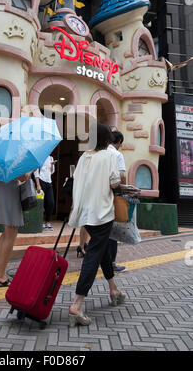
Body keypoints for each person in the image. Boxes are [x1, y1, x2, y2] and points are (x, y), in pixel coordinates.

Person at [68, 122, 125, 326]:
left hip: (85, 213)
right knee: (94, 254)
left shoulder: (84, 156)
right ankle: (77, 303)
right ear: (107, 139)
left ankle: (113, 289)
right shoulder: (109, 156)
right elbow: (114, 183)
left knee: (101, 251)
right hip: (102, 212)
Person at [0, 173, 30, 287]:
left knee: (6, 232)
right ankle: (0, 275)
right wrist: (30, 171)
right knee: (11, 234)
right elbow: (22, 177)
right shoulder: (15, 155)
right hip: (10, 192)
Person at [107, 131, 127, 273]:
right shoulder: (117, 155)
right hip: (111, 196)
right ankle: (112, 263)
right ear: (119, 141)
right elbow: (121, 175)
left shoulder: (96, 153)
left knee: (99, 232)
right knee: (112, 231)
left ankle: (97, 262)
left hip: (96, 197)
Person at [34, 155, 55, 230]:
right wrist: (38, 184)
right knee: (41, 203)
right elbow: (36, 172)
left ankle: (47, 222)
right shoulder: (40, 156)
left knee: (51, 202)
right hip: (41, 180)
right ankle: (39, 222)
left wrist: (52, 165)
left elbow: (52, 172)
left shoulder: (51, 158)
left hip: (49, 181)